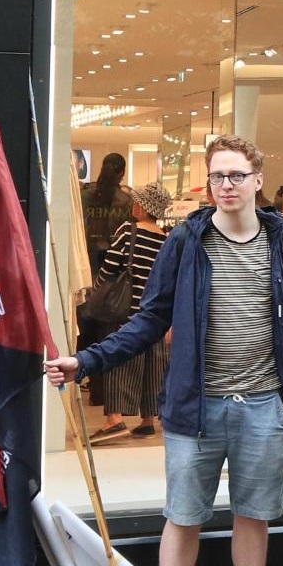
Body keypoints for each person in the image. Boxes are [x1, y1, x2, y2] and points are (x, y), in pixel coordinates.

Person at [45, 135, 283, 566]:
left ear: (258, 180)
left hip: (263, 403)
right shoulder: (186, 241)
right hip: (196, 408)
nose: (226, 185)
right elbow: (152, 317)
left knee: (254, 515)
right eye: (218, 176)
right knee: (183, 516)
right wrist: (88, 360)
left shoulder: (282, 241)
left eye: (237, 175)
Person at [89, 183, 175, 441]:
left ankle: (114, 419)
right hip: (155, 316)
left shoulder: (128, 231)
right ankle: (148, 420)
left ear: (142, 207)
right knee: (152, 367)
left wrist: (97, 291)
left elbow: (109, 269)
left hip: (127, 313)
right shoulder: (166, 239)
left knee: (119, 361)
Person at [82, 152, 136, 268]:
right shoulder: (126, 201)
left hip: (87, 256)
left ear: (102, 168)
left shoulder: (85, 195)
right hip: (115, 259)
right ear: (122, 173)